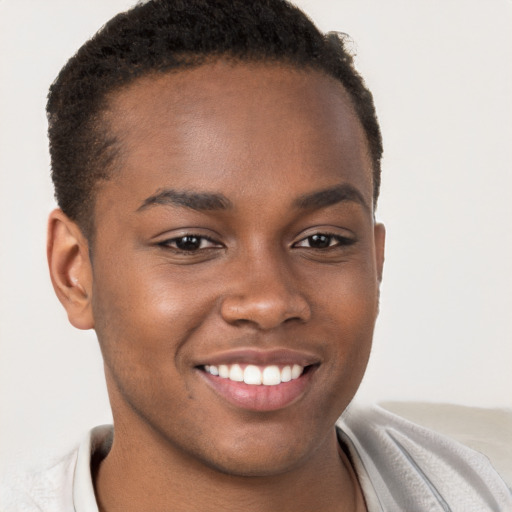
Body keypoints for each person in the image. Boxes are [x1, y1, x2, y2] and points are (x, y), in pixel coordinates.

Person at [1, 0, 510, 510]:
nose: (268, 302)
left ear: (376, 265)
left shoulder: (483, 490)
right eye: (190, 243)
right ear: (74, 273)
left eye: (321, 240)